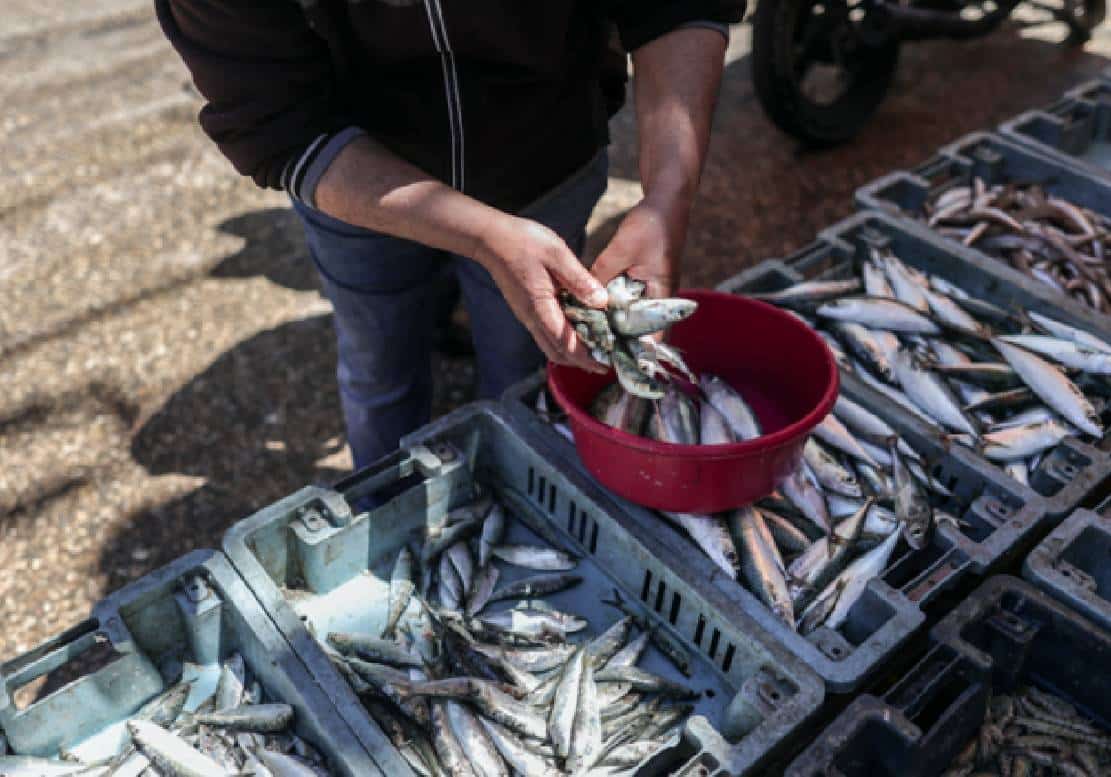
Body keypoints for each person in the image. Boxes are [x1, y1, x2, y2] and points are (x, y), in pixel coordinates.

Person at [157, 0, 744, 470]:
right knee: (378, 366)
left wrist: (667, 201)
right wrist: (485, 237)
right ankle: (383, 502)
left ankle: (511, 487)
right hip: (353, 189)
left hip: (550, 163)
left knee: (520, 368)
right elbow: (276, 122)